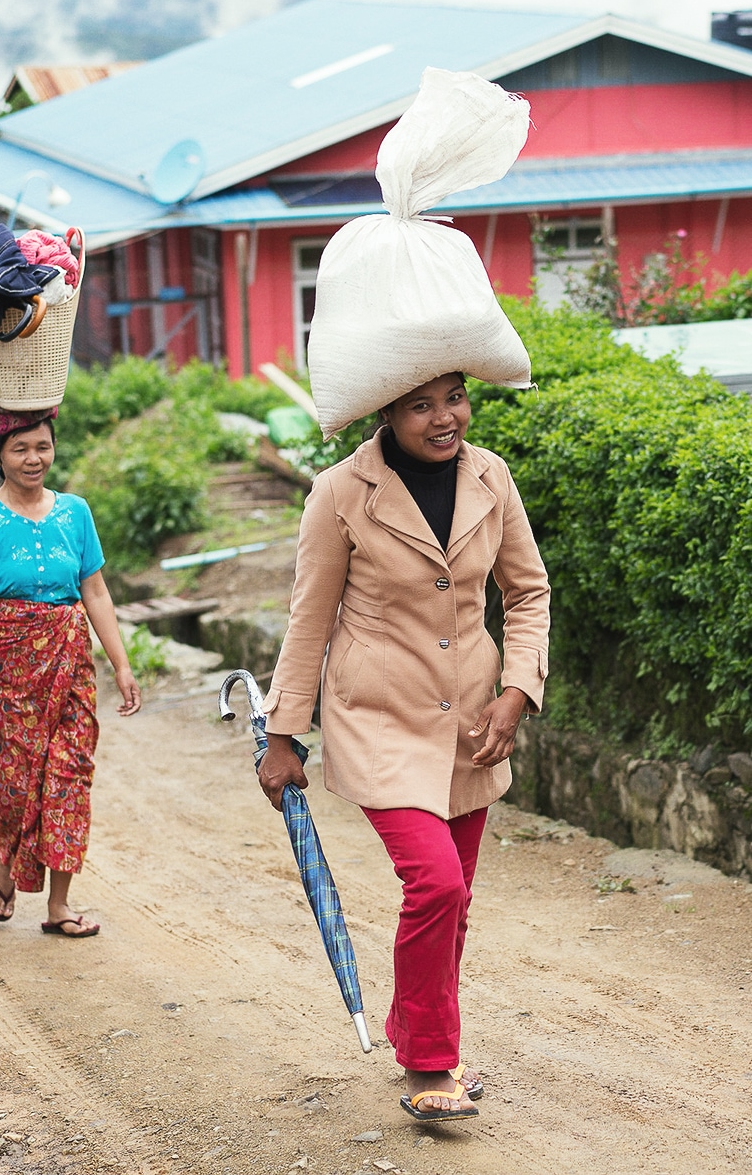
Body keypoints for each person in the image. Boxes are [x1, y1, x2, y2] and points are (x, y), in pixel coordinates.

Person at [257, 371, 550, 1122]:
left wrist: (516, 693)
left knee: (457, 901)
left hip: (473, 721)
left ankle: (412, 1025)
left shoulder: (493, 476)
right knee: (437, 885)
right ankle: (429, 1059)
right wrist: (283, 735)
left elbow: (527, 592)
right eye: (421, 405)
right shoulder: (339, 493)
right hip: (379, 716)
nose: (444, 417)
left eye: (453, 396)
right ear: (386, 409)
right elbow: (309, 617)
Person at [0, 400, 141, 938]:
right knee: (14, 785)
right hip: (6, 670)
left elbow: (96, 592)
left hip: (70, 662)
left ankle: (59, 906)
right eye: (21, 449)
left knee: (67, 777)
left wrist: (121, 666)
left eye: (43, 446)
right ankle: (5, 856)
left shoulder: (75, 513)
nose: (34, 458)